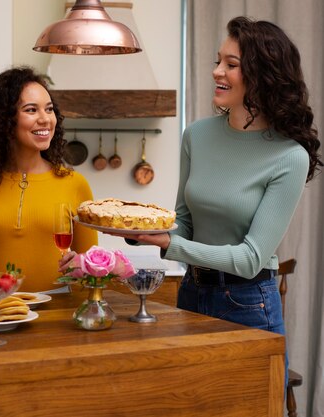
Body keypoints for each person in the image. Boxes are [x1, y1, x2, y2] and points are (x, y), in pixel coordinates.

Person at [64, 17, 321, 336]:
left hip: (248, 303)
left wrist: (169, 243)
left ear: (263, 76)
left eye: (231, 64)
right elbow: (184, 223)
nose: (217, 71)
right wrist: (137, 228)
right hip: (192, 291)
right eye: (218, 61)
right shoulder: (197, 136)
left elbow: (250, 258)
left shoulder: (289, 156)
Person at [0, 66, 98, 292]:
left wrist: (79, 266)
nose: (45, 119)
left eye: (49, 109)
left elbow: (93, 268)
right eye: (31, 110)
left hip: (58, 315)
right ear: (4, 120)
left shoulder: (75, 184)